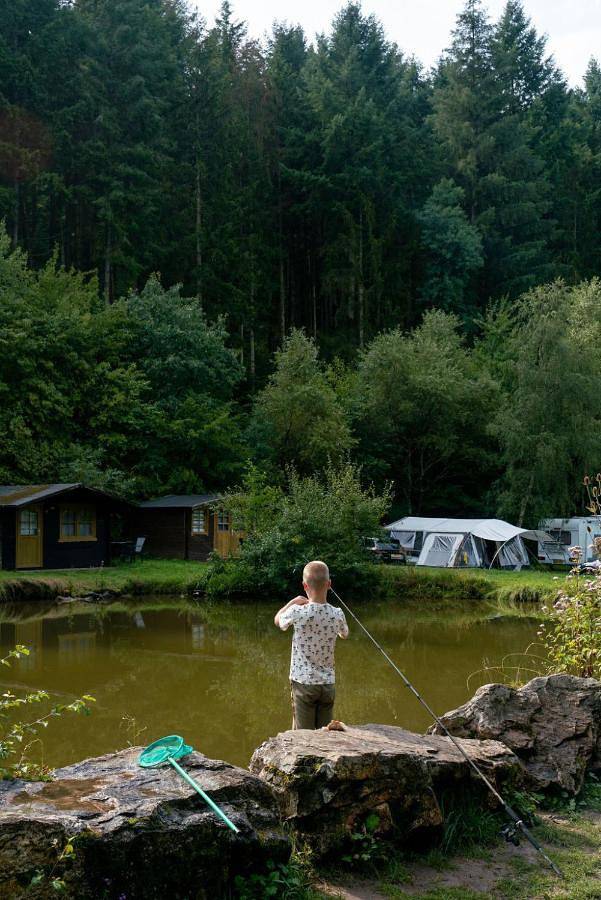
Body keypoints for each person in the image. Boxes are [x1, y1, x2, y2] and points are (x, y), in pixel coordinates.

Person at [274, 560, 349, 729]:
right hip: (327, 685)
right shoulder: (337, 613)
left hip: (303, 683)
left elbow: (278, 620)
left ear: (304, 585)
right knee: (324, 733)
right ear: (329, 584)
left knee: (303, 735)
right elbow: (345, 634)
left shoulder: (298, 611)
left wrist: (293, 602)